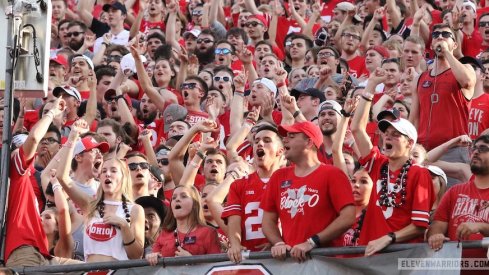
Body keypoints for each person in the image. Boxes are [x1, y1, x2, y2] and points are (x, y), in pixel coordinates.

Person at [351, 70, 435, 256]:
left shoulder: (419, 173)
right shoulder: (378, 165)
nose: (388, 137)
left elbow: (420, 225)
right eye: (386, 134)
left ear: (410, 143)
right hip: (369, 255)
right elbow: (356, 128)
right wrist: (370, 87)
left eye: (396, 135)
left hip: (399, 256)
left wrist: (389, 237)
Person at [260, 121, 355, 262]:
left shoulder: (332, 174)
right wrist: (278, 242)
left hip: (325, 262)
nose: (284, 139)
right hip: (291, 263)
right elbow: (267, 221)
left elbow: (348, 217)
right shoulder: (278, 177)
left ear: (309, 142)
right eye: (285, 136)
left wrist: (312, 242)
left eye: (291, 136)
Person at [56, 119, 145, 262]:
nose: (107, 174)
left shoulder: (135, 210)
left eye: (113, 170)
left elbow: (137, 255)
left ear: (124, 177)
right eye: (104, 171)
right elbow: (62, 177)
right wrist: (72, 137)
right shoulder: (90, 206)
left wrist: (124, 226)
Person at [428, 134, 489, 261]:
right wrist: (436, 235)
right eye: (474, 148)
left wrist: (481, 226)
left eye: (483, 149)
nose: (476, 152)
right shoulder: (454, 191)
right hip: (453, 269)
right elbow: (437, 226)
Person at [145, 185, 221, 264]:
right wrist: (152, 257)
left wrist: (192, 261)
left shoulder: (208, 233)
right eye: (174, 198)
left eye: (184, 196)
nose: (177, 199)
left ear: (195, 204)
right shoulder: (163, 234)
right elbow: (154, 266)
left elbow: (216, 268)